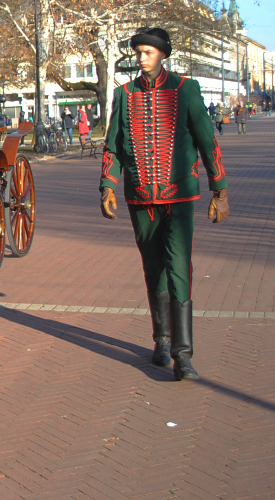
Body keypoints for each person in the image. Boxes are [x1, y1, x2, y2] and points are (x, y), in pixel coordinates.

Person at [100, 27, 228, 382]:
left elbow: (206, 138)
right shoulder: (123, 94)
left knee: (179, 267)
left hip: (180, 197)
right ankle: (161, 339)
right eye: (138, 52)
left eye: (148, 52)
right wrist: (107, 186)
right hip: (139, 199)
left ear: (162, 55)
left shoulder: (186, 89)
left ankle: (183, 356)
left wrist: (220, 189)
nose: (142, 58)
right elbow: (113, 143)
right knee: (152, 266)